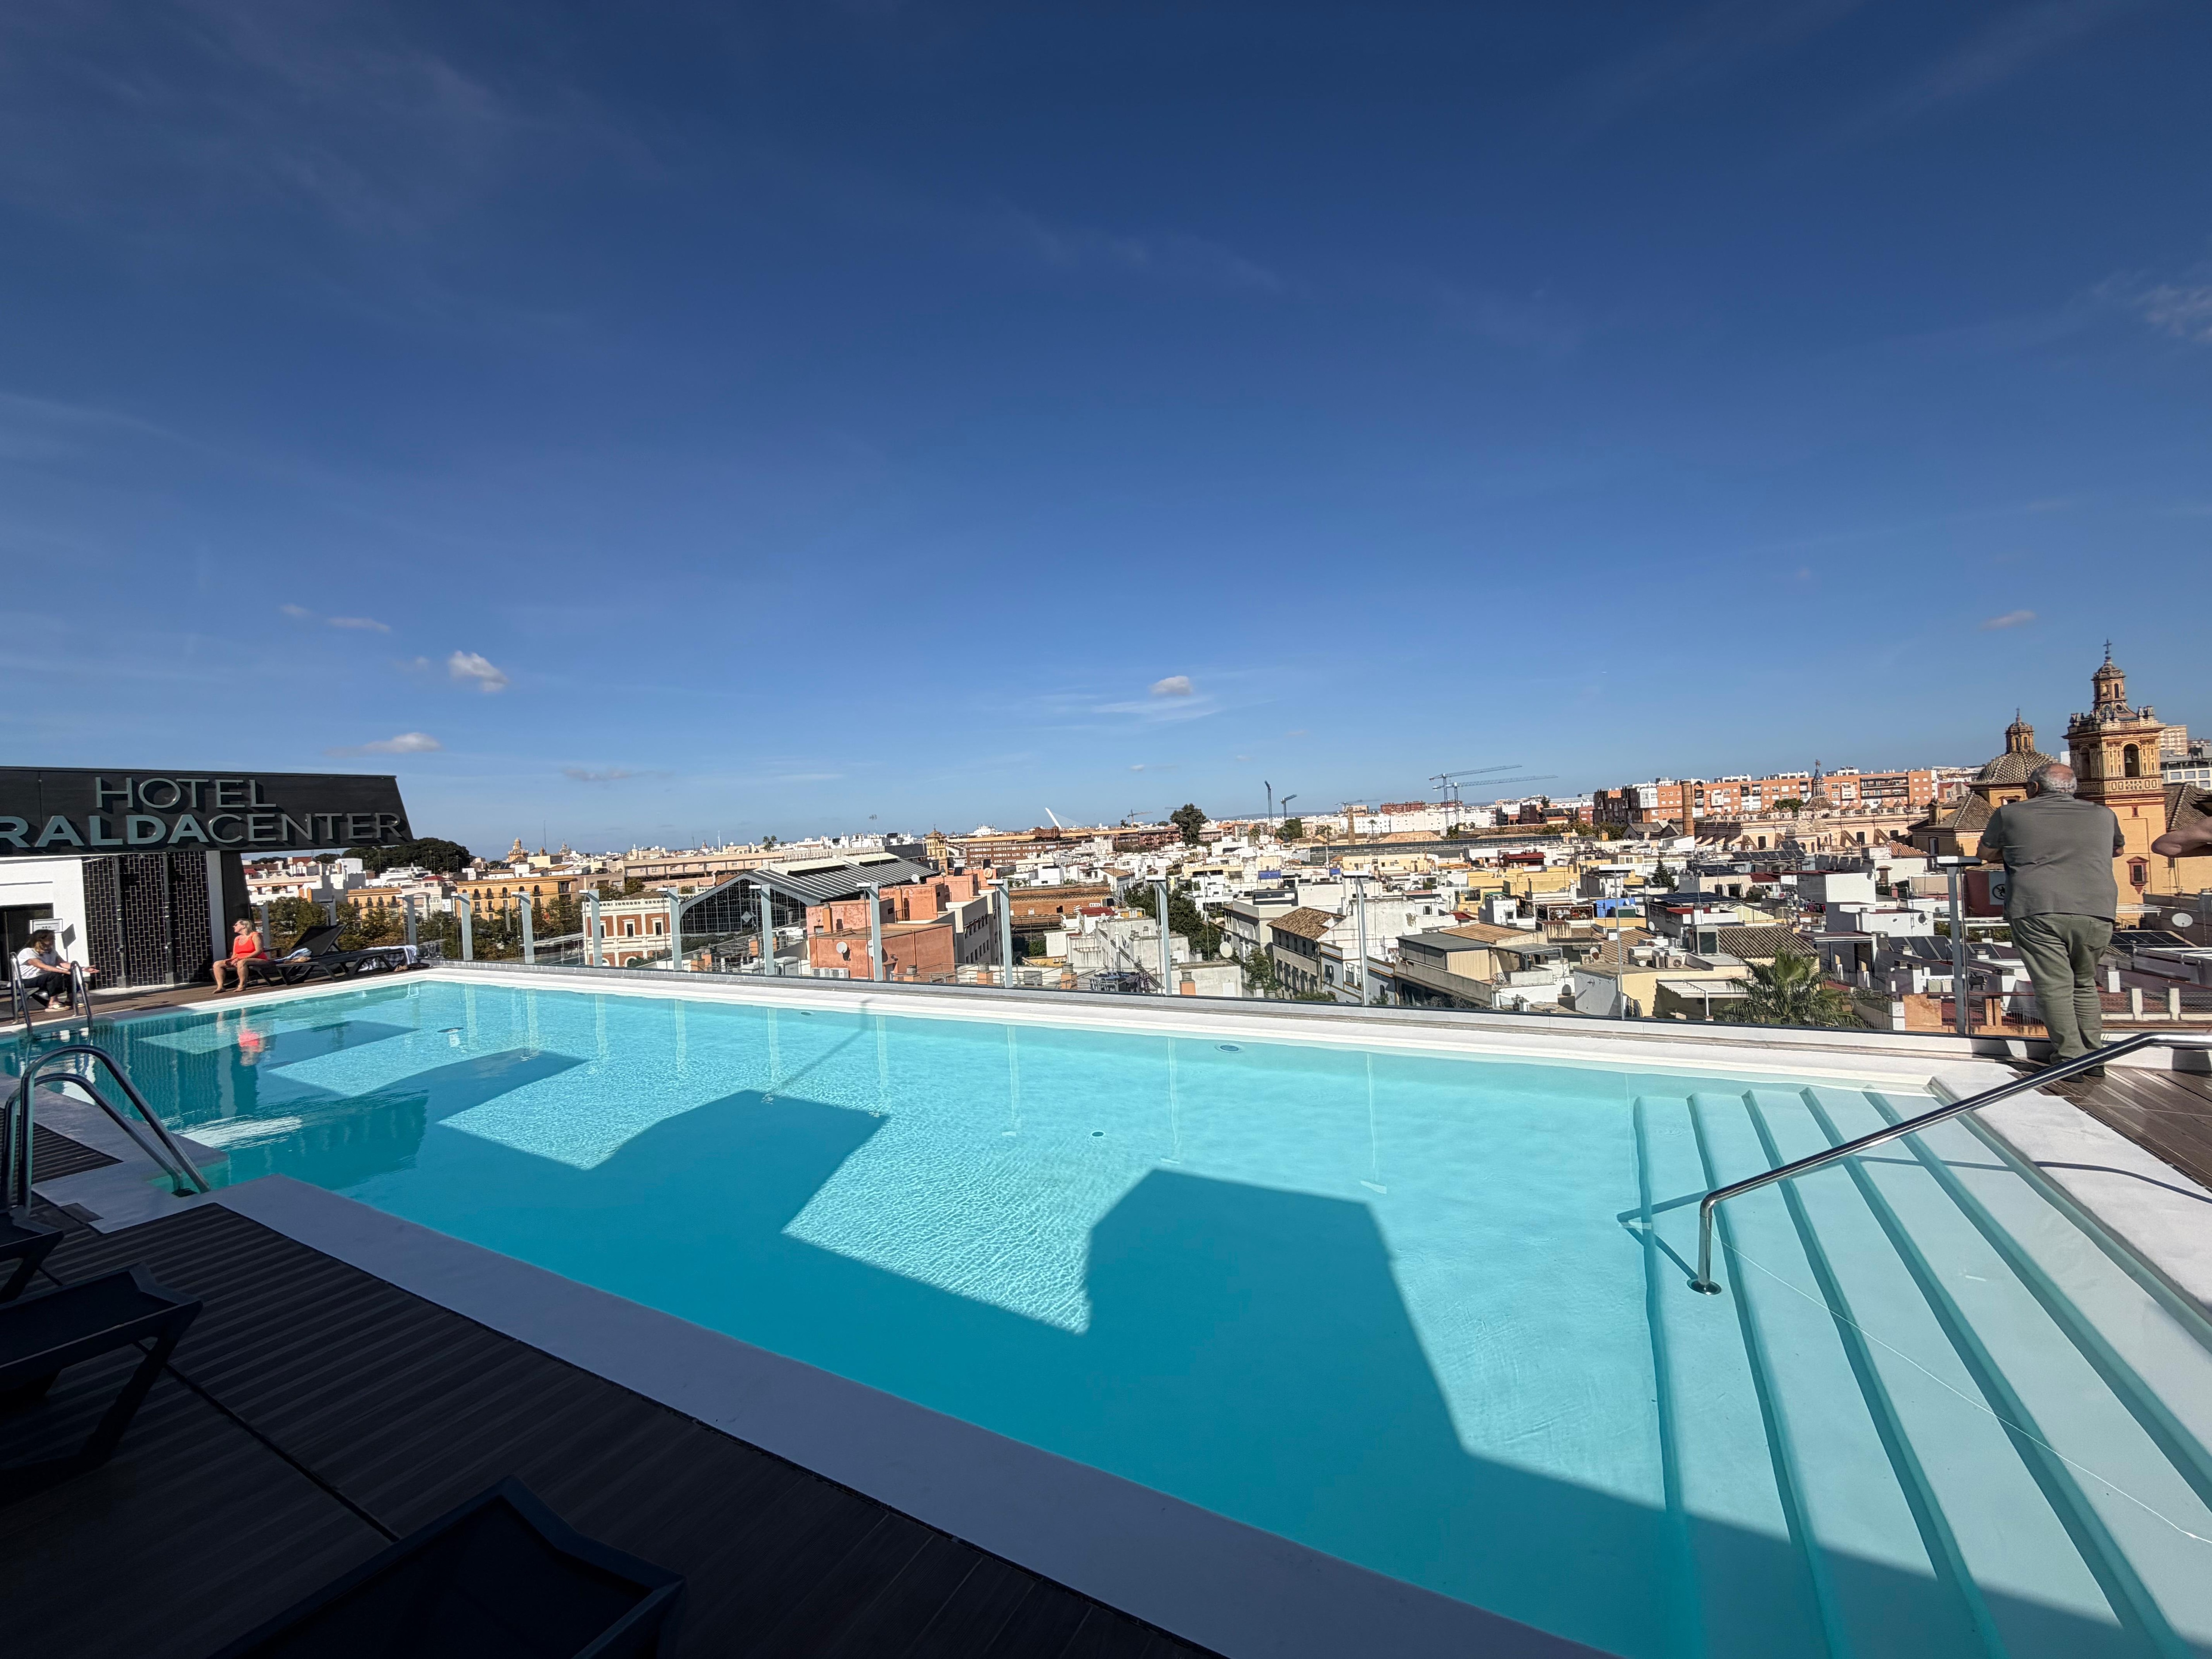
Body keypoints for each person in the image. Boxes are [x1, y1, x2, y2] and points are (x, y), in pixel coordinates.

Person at [1976, 762, 2124, 1074]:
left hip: (2037, 907)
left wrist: (2018, 852)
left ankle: (2070, 1059)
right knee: (2084, 982)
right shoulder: (2103, 814)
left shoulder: (2011, 814)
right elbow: (2117, 851)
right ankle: (2094, 1058)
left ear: (2035, 788)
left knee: (2055, 986)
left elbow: (1985, 854)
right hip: (2097, 907)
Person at [14, 928, 88, 1008]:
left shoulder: (52, 952)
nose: (53, 941)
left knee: (71, 973)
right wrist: (61, 971)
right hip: (26, 980)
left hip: (43, 978)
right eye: (50, 939)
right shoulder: (28, 952)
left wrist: (81, 969)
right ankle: (53, 1002)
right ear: (41, 940)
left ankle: (71, 1000)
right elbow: (43, 966)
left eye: (53, 939)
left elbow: (63, 964)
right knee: (54, 975)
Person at [210, 917, 265, 993]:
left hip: (258, 959)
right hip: (240, 960)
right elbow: (235, 954)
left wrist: (243, 958)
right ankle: (220, 987)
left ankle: (242, 985)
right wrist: (231, 960)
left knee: (242, 962)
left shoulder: (255, 936)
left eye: (236, 925)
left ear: (244, 926)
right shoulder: (237, 939)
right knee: (217, 964)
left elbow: (259, 951)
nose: (234, 926)